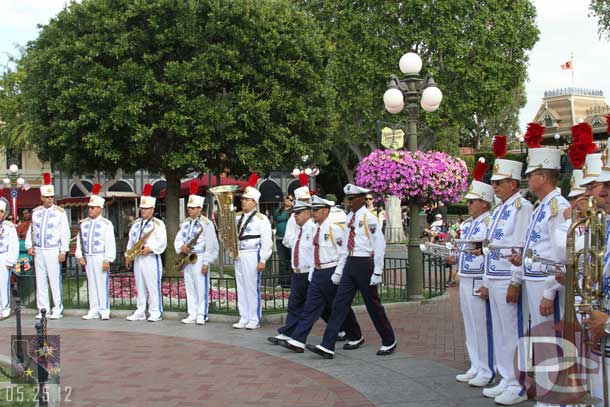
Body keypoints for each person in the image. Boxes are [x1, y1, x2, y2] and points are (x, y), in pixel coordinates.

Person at [307, 184, 396, 359]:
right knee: (339, 305)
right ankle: (327, 345)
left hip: (364, 263)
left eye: (352, 198)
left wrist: (378, 271)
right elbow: (343, 247)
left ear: (362, 199)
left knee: (373, 305)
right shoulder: (349, 218)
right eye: (348, 199)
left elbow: (379, 245)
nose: (349, 202)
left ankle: (389, 340)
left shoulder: (368, 218)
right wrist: (340, 271)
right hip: (350, 263)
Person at [478, 159, 532, 405]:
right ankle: (505, 376)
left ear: (513, 183)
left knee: (513, 332)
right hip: (495, 276)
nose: (494, 186)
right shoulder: (500, 209)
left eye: (498, 182)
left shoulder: (522, 207)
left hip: (508, 277)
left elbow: (520, 247)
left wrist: (516, 281)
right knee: (500, 332)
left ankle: (518, 384)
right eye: (493, 182)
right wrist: (487, 281)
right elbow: (490, 248)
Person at [280, 195, 362, 353]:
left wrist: (338, 273)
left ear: (326, 211)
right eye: (312, 210)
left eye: (316, 210)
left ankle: (355, 335)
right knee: (310, 307)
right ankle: (298, 340)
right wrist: (312, 271)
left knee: (338, 307)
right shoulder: (316, 228)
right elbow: (314, 252)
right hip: (318, 271)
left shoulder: (334, 228)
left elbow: (343, 253)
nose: (313, 213)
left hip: (331, 271)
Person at [445, 180, 495, 389]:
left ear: (483, 203)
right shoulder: (468, 224)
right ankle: (476, 365)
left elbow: (490, 253)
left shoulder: (488, 223)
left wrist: (486, 283)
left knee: (481, 325)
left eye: (472, 201)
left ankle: (486, 368)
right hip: (466, 277)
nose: (468, 205)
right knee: (470, 325)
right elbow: (465, 250)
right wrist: (454, 259)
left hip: (478, 277)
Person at [268, 200, 316, 342]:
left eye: (298, 213)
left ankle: (344, 329)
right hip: (298, 273)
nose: (295, 216)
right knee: (294, 304)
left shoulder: (313, 230)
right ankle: (288, 332)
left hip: (309, 273)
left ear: (308, 213)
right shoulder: (298, 230)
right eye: (294, 213)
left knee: (320, 307)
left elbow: (316, 254)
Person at [26, 173, 70, 320]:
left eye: (52, 197)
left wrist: (63, 250)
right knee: (41, 279)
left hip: (53, 249)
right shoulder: (36, 212)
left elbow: (65, 232)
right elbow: (31, 230)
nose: (50, 199)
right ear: (42, 198)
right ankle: (42, 309)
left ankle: (57, 308)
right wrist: (29, 246)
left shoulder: (59, 212)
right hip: (39, 250)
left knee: (54, 279)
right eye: (47, 197)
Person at [174, 180, 219, 325]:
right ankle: (192, 313)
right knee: (190, 286)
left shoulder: (207, 223)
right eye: (189, 208)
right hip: (187, 258)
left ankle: (202, 313)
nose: (190, 210)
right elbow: (178, 238)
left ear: (200, 208)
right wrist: (181, 247)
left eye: (193, 208)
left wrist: (207, 262)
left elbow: (212, 245)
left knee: (201, 286)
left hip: (199, 257)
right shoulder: (186, 223)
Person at [233, 178, 273, 330]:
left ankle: (254, 318)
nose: (243, 202)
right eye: (242, 199)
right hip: (239, 254)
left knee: (251, 286)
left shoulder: (261, 219)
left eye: (247, 200)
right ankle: (244, 317)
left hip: (252, 253)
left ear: (254, 202)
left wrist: (263, 259)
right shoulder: (238, 217)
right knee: (241, 286)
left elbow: (267, 241)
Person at [125, 184, 167, 322]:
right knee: (140, 285)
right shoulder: (136, 224)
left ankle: (155, 311)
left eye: (146, 208)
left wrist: (150, 248)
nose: (143, 211)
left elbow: (162, 242)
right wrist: (128, 255)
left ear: (152, 209)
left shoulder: (158, 224)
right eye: (142, 208)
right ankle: (141, 310)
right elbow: (131, 240)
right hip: (138, 258)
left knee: (153, 285)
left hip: (151, 258)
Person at [75, 184, 116, 320]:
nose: (90, 210)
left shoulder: (106, 224)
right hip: (88, 257)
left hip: (100, 256)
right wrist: (79, 255)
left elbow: (110, 243)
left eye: (92, 208)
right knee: (91, 283)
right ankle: (93, 309)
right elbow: (79, 241)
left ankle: (104, 309)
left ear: (100, 209)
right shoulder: (83, 223)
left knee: (101, 283)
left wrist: (107, 259)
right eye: (89, 207)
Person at [0, 197, 19, 319]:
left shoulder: (9, 226)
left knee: (3, 283)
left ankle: (5, 308)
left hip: (3, 255)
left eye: (1, 212)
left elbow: (14, 244)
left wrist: (11, 260)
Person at [273, 194, 293, 288]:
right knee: (282, 260)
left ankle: (290, 281)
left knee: (290, 260)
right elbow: (275, 219)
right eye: (286, 198)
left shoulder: (293, 211)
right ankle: (282, 282)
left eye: (290, 199)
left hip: (289, 239)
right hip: (279, 238)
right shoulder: (279, 210)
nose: (287, 200)